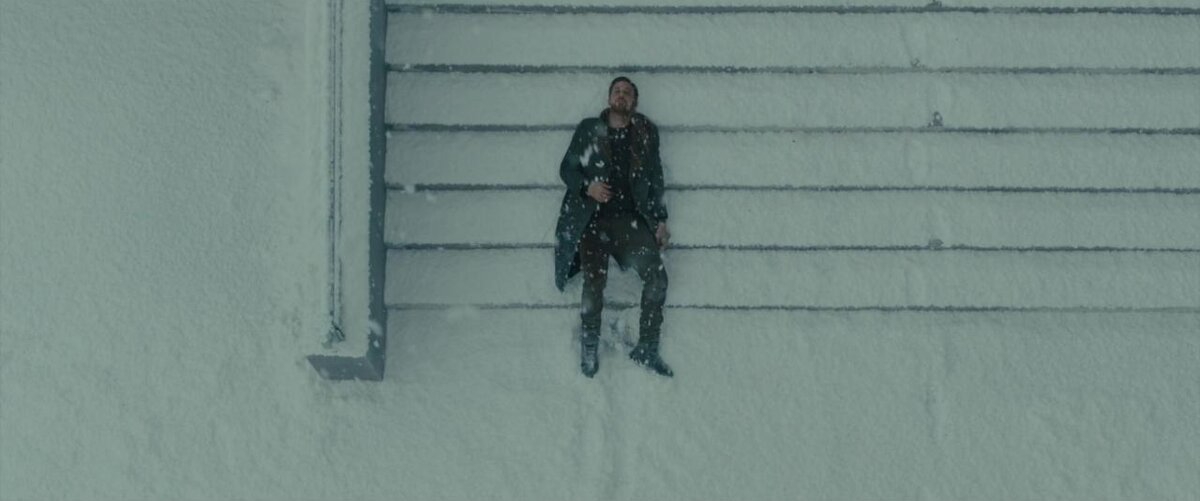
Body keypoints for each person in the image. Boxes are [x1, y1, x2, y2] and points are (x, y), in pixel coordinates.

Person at [554, 76, 673, 378]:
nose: (622, 96)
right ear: (609, 98)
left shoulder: (645, 133)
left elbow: (656, 178)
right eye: (617, 91)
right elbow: (566, 169)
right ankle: (589, 346)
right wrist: (588, 187)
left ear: (634, 102)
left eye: (627, 93)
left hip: (629, 222)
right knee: (594, 284)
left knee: (658, 277)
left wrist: (660, 220)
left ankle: (647, 348)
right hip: (592, 219)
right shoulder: (589, 129)